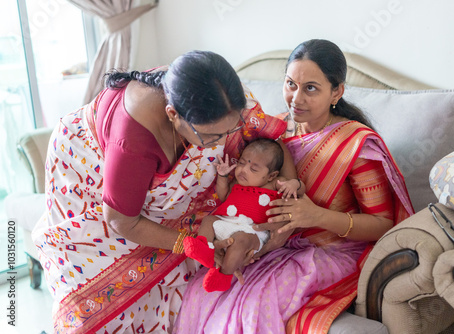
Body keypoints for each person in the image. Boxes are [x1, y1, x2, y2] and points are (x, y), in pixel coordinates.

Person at [31, 50, 296, 334]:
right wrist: (190, 245)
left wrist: (293, 191)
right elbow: (122, 221)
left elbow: (273, 142)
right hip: (86, 168)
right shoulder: (132, 141)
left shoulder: (224, 98)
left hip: (136, 179)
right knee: (96, 300)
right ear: (173, 115)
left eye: (228, 132)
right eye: (210, 137)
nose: (219, 144)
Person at [174, 39, 415, 333]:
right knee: (200, 291)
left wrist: (316, 216)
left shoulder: (356, 145)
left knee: (254, 306)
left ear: (336, 91)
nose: (296, 99)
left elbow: (383, 224)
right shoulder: (272, 132)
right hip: (271, 243)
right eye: (290, 84)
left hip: (331, 251)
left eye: (311, 88)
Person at [183, 138, 305, 292]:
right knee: (209, 220)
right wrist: (222, 176)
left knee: (240, 240)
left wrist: (294, 184)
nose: (244, 170)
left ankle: (223, 276)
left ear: (271, 175)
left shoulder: (275, 183)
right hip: (227, 223)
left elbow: (300, 190)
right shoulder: (239, 183)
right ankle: (204, 249)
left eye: (253, 169)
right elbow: (224, 196)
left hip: (253, 231)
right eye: (241, 163)